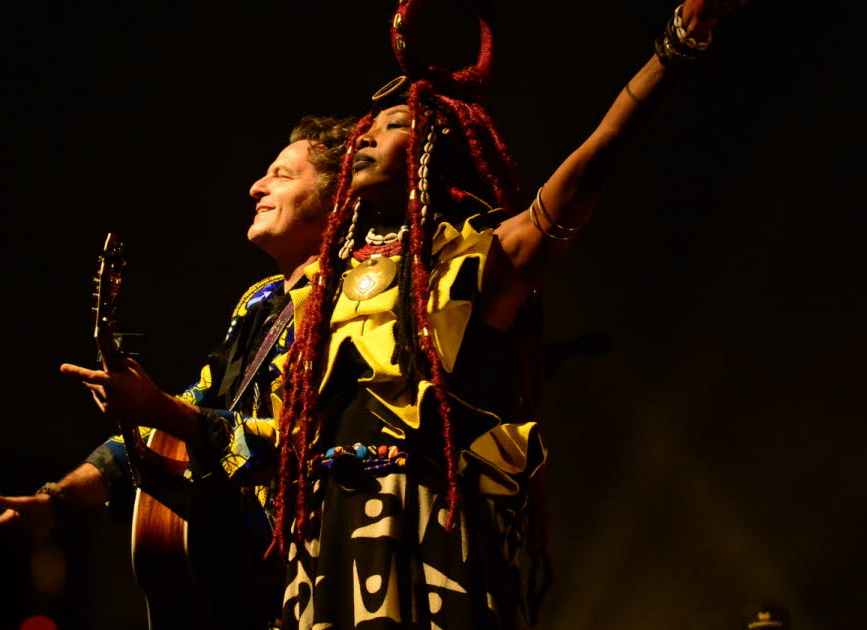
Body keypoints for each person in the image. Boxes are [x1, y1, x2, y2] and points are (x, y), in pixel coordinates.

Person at [208, 1, 750, 629]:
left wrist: (675, 48)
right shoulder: (318, 286)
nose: (367, 138)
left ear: (437, 144)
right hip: (322, 532)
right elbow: (273, 431)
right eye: (368, 129)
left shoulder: (476, 258)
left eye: (392, 127)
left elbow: (597, 158)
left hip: (426, 516)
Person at [0, 115, 356, 629]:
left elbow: (299, 447)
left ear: (340, 197)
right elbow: (178, 421)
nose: (257, 186)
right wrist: (55, 501)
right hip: (245, 582)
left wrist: (158, 409)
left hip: (321, 569)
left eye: (283, 175)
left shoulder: (356, 299)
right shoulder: (261, 303)